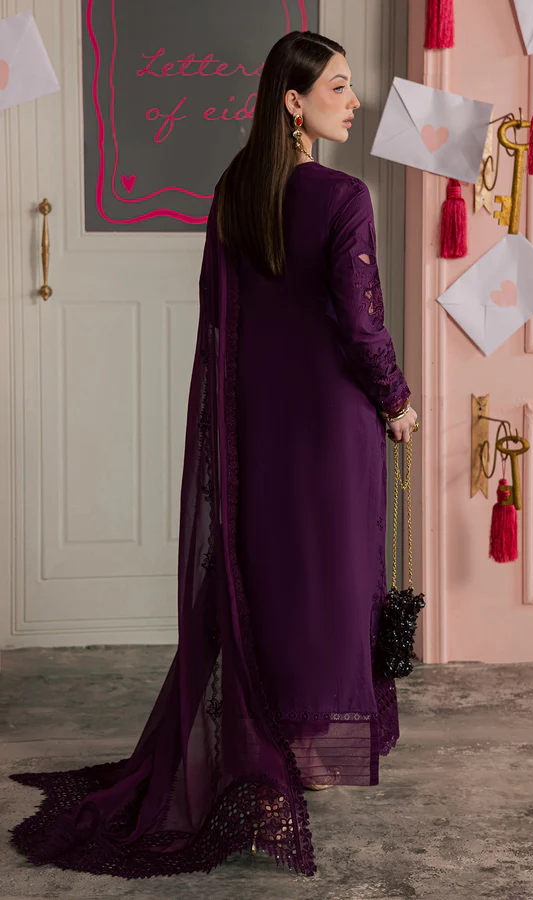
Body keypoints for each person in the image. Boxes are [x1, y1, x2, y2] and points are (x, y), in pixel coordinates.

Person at [8, 30, 418, 879]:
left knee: (272, 579)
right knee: (335, 581)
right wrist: (398, 400)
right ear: (294, 103)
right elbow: (361, 323)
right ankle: (322, 759)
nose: (354, 100)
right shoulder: (344, 197)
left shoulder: (235, 188)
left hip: (259, 424)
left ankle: (277, 745)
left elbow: (220, 319)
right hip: (332, 425)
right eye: (339, 87)